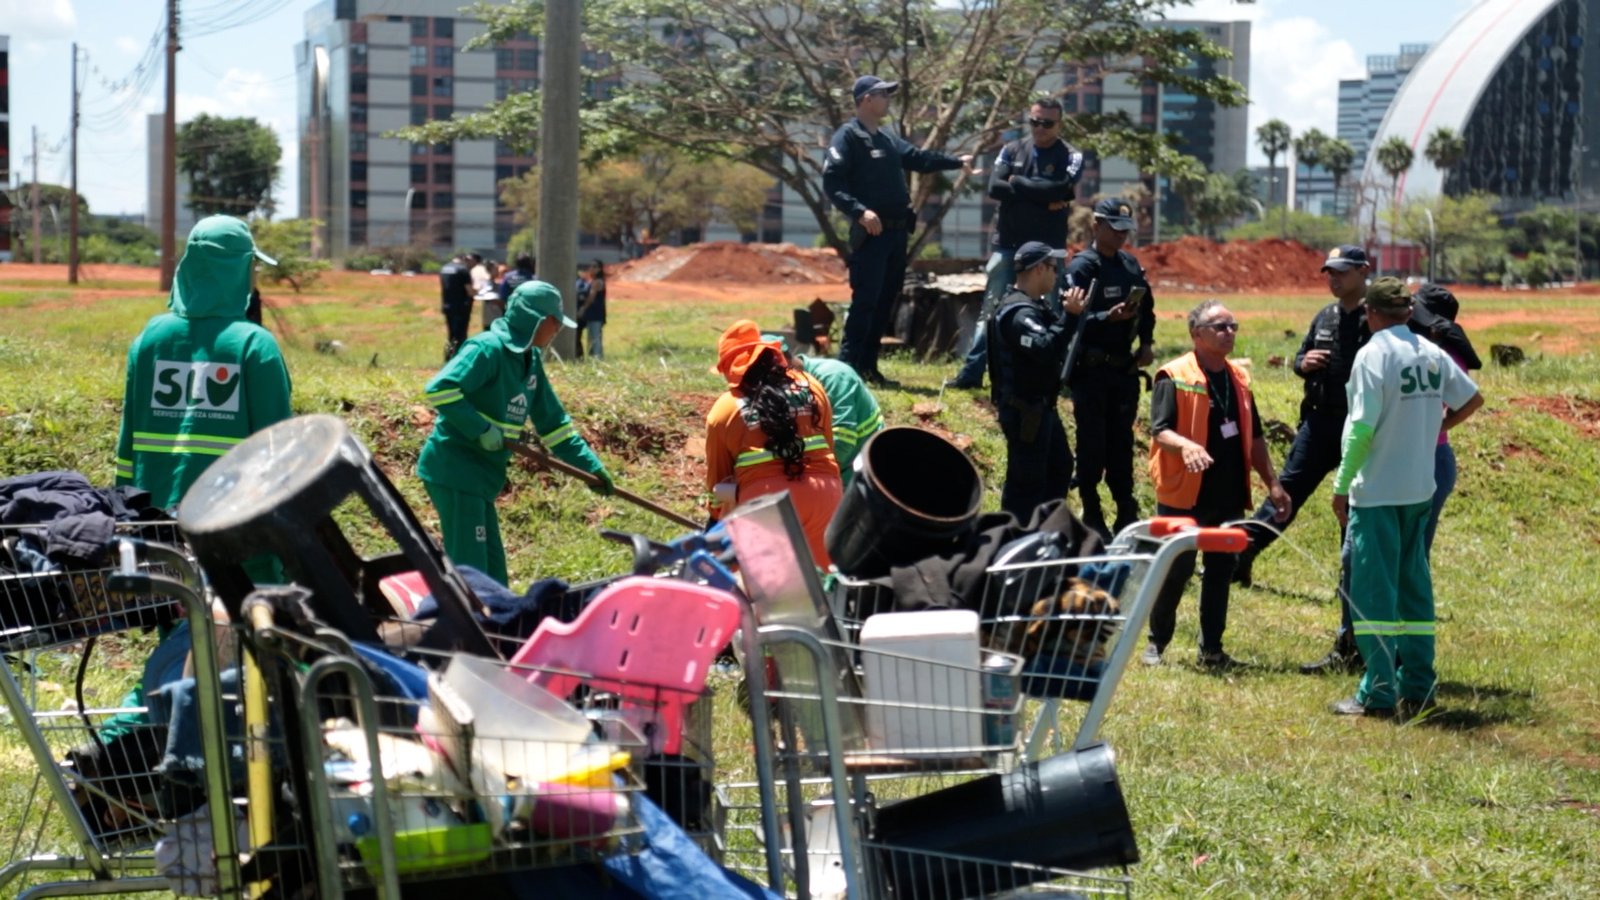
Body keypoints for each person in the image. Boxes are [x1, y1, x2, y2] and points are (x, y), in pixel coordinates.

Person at [1329, 278, 1483, 719]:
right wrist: (1433, 430)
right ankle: (1418, 685)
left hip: (1377, 491)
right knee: (1415, 588)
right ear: (1407, 312)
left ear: (1371, 313)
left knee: (1374, 593)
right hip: (1419, 488)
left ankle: (1377, 692)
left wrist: (1342, 485)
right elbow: (1472, 400)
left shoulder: (1372, 355)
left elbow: (1360, 429)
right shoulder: (1431, 352)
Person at [1233, 245, 1373, 675]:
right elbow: (1301, 358)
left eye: (1342, 272)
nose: (1334, 279)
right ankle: (1243, 553)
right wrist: (1303, 363)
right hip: (1319, 424)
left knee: (1351, 506)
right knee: (1285, 493)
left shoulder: (1377, 318)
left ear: (1363, 272)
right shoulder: (1326, 316)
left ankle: (1350, 585)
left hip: (1359, 428)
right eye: (1330, 272)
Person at [418, 280, 615, 586]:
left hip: (483, 477)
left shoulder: (530, 360)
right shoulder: (487, 349)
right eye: (554, 322)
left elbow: (555, 426)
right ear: (535, 319)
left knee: (493, 573)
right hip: (456, 470)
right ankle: (467, 631)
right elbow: (440, 389)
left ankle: (497, 629)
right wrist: (480, 428)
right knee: (472, 574)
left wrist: (589, 467)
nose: (558, 330)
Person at [1143, 301, 1291, 669]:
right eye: (1220, 327)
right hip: (1183, 492)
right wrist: (1188, 445)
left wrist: (1272, 483)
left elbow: (1254, 436)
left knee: (1220, 571)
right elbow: (1159, 430)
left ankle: (1212, 650)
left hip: (1226, 492)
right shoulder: (1172, 374)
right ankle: (1155, 644)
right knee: (1175, 569)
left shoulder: (1239, 379)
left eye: (1233, 326)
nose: (1229, 333)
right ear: (1196, 334)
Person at [115, 215, 292, 512]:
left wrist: (123, 508)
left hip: (153, 528)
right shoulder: (255, 345)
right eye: (252, 266)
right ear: (237, 269)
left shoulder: (149, 339)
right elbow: (275, 449)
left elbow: (127, 442)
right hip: (232, 527)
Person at [823, 74, 974, 385]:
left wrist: (956, 162)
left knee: (884, 304)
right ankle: (846, 373)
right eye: (883, 94)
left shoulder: (886, 137)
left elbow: (918, 159)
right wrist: (859, 211)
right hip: (872, 235)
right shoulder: (847, 137)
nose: (888, 99)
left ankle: (868, 368)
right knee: (865, 301)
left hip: (895, 235)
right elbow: (833, 184)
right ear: (866, 99)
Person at [949, 97, 1084, 390]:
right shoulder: (1011, 149)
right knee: (990, 312)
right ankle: (972, 373)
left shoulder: (1071, 155)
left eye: (1047, 123)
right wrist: (1044, 197)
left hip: (1048, 251)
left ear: (1060, 124)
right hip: (1008, 245)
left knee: (1052, 312)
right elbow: (995, 187)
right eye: (1034, 121)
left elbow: (1062, 188)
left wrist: (1018, 185)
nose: (1039, 128)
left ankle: (1055, 377)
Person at [705, 320, 843, 567]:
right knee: (821, 587)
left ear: (731, 368)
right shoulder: (811, 386)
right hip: (826, 495)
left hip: (764, 506)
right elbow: (829, 449)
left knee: (768, 595)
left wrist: (717, 520)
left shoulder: (724, 410)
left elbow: (717, 487)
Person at [1063, 197, 1156, 540]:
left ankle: (1126, 509)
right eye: (1115, 230)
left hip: (1123, 371)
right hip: (1091, 373)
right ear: (1096, 226)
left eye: (1125, 231)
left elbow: (1148, 308)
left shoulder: (1130, 265)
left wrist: (1146, 342)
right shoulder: (1082, 268)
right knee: (1092, 444)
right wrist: (1107, 317)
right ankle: (1091, 509)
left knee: (1121, 444)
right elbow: (1071, 320)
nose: (1121, 237)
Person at [986, 241, 1089, 520]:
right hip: (1024, 410)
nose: (1056, 275)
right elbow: (1044, 347)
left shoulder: (1036, 306)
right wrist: (1070, 316)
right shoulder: (1018, 314)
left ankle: (1044, 532)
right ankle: (1014, 539)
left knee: (1059, 467)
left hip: (1042, 406)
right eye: (1053, 268)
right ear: (1039, 269)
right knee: (1025, 484)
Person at [763, 332, 885, 487]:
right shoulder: (786, 387)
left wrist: (807, 478)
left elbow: (843, 441)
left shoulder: (834, 377)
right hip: (834, 467)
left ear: (784, 364)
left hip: (864, 467)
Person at [438, 252, 474, 361]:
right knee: (460, 335)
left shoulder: (444, 268)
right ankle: (459, 358)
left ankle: (448, 357)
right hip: (460, 307)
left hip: (447, 305)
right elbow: (469, 291)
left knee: (451, 334)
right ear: (463, 259)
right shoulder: (463, 270)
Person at [580, 261, 608, 361]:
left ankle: (597, 359)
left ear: (599, 269)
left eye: (595, 267)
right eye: (591, 266)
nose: (592, 268)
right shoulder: (593, 281)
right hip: (593, 314)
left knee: (595, 338)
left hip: (595, 313)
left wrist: (583, 308)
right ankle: (593, 359)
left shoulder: (597, 282)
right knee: (591, 338)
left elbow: (591, 297)